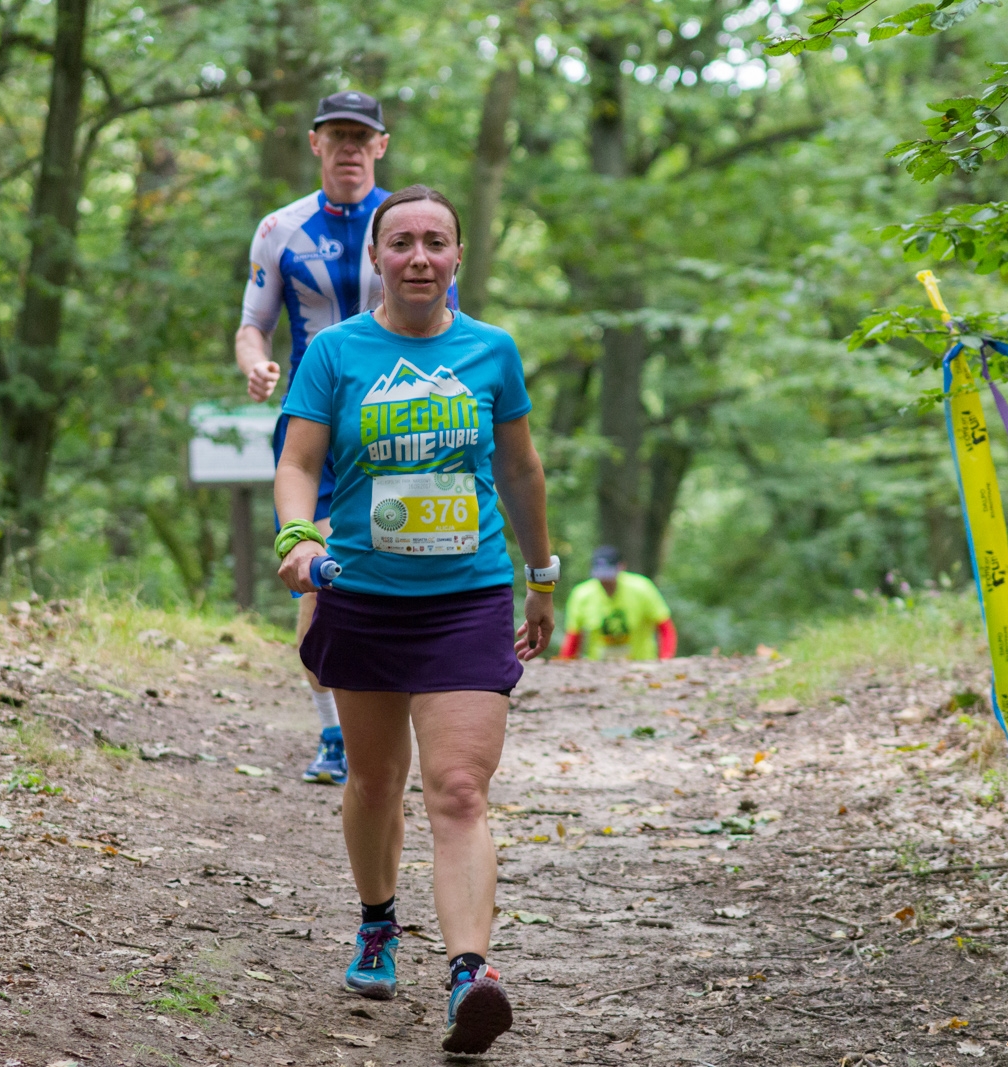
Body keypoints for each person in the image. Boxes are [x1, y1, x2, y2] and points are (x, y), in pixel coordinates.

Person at [273, 185, 555, 1055]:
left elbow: (519, 469)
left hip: (466, 598)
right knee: (372, 781)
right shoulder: (336, 352)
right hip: (360, 593)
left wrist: (540, 573)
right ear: (377, 258)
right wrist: (297, 540)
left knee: (460, 790)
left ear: (458, 257)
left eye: (437, 241)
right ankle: (377, 920)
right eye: (402, 243)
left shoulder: (493, 351)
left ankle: (471, 974)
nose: (420, 256)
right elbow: (299, 459)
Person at [235, 90, 392, 786]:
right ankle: (334, 732)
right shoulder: (280, 228)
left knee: (395, 567)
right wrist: (255, 367)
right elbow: (252, 324)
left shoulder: (407, 225)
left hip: (399, 423)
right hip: (314, 426)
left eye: (363, 136)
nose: (351, 148)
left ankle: (389, 715)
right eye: (338, 136)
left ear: (381, 146)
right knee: (318, 578)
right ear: (316, 143)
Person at [559, 546, 677, 660]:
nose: (605, 581)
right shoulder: (581, 595)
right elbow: (573, 636)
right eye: (601, 576)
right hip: (599, 667)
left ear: (621, 567)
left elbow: (665, 626)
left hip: (641, 665)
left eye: (609, 575)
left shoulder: (642, 588)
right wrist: (565, 664)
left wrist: (665, 659)